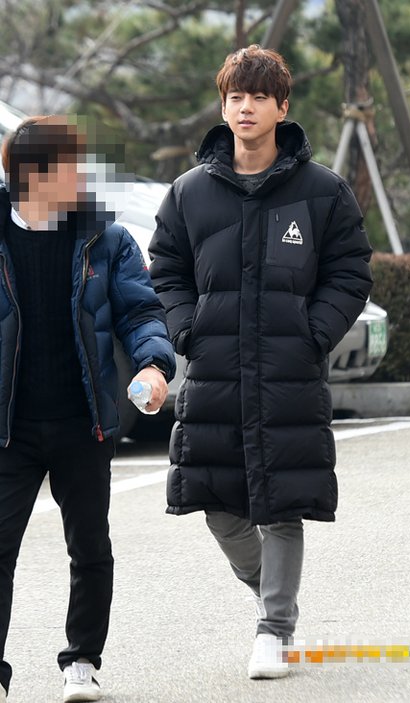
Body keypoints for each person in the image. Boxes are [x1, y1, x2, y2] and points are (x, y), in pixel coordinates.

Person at [149, 45, 373, 679]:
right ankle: (269, 589)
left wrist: (313, 332)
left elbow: (350, 271)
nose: (245, 107)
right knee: (218, 503)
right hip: (215, 369)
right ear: (223, 106)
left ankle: (274, 629)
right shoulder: (189, 192)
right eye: (234, 96)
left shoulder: (321, 190)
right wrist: (186, 328)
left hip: (287, 372)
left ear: (282, 106)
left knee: (281, 501)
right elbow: (164, 269)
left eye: (258, 97)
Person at [0, 115, 175, 702]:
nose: (82, 176)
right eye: (70, 166)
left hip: (84, 421)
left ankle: (81, 661)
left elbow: (140, 311)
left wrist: (153, 365)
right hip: (8, 428)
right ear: (32, 176)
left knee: (90, 548)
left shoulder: (106, 237)